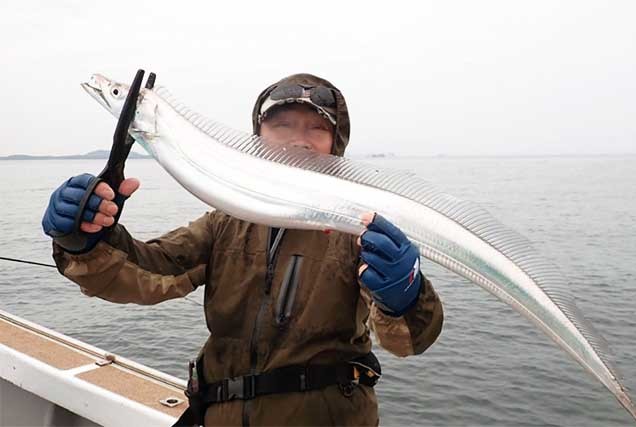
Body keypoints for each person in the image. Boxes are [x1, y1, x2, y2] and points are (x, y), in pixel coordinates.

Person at [42, 73, 444, 426]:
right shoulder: (225, 221)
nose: (297, 140)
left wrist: (404, 298)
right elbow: (148, 275)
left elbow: (407, 341)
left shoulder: (356, 228)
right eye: (281, 125)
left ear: (335, 144)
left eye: (315, 129)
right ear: (258, 137)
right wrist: (85, 242)